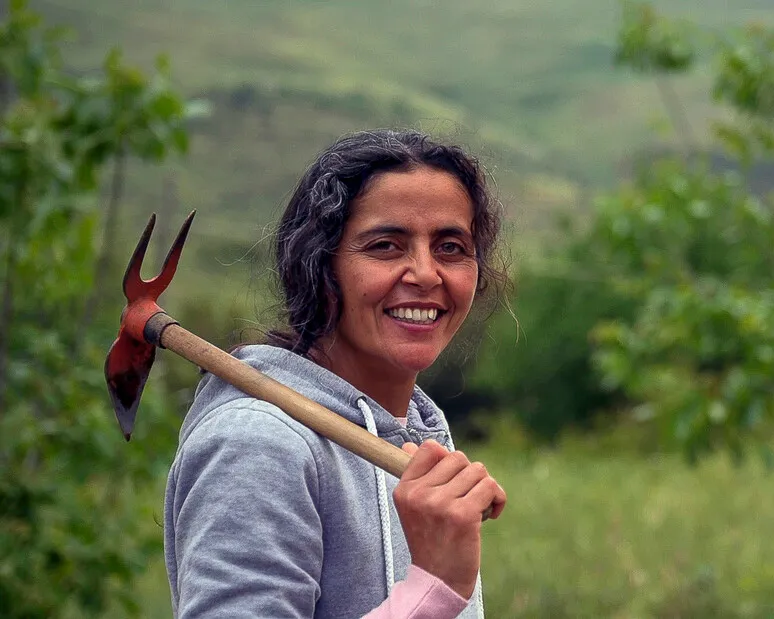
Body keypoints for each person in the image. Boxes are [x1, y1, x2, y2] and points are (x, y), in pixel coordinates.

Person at [163, 129, 509, 618]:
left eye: (451, 247)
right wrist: (432, 591)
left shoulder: (418, 436)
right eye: (386, 245)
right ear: (319, 266)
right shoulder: (259, 443)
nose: (427, 274)